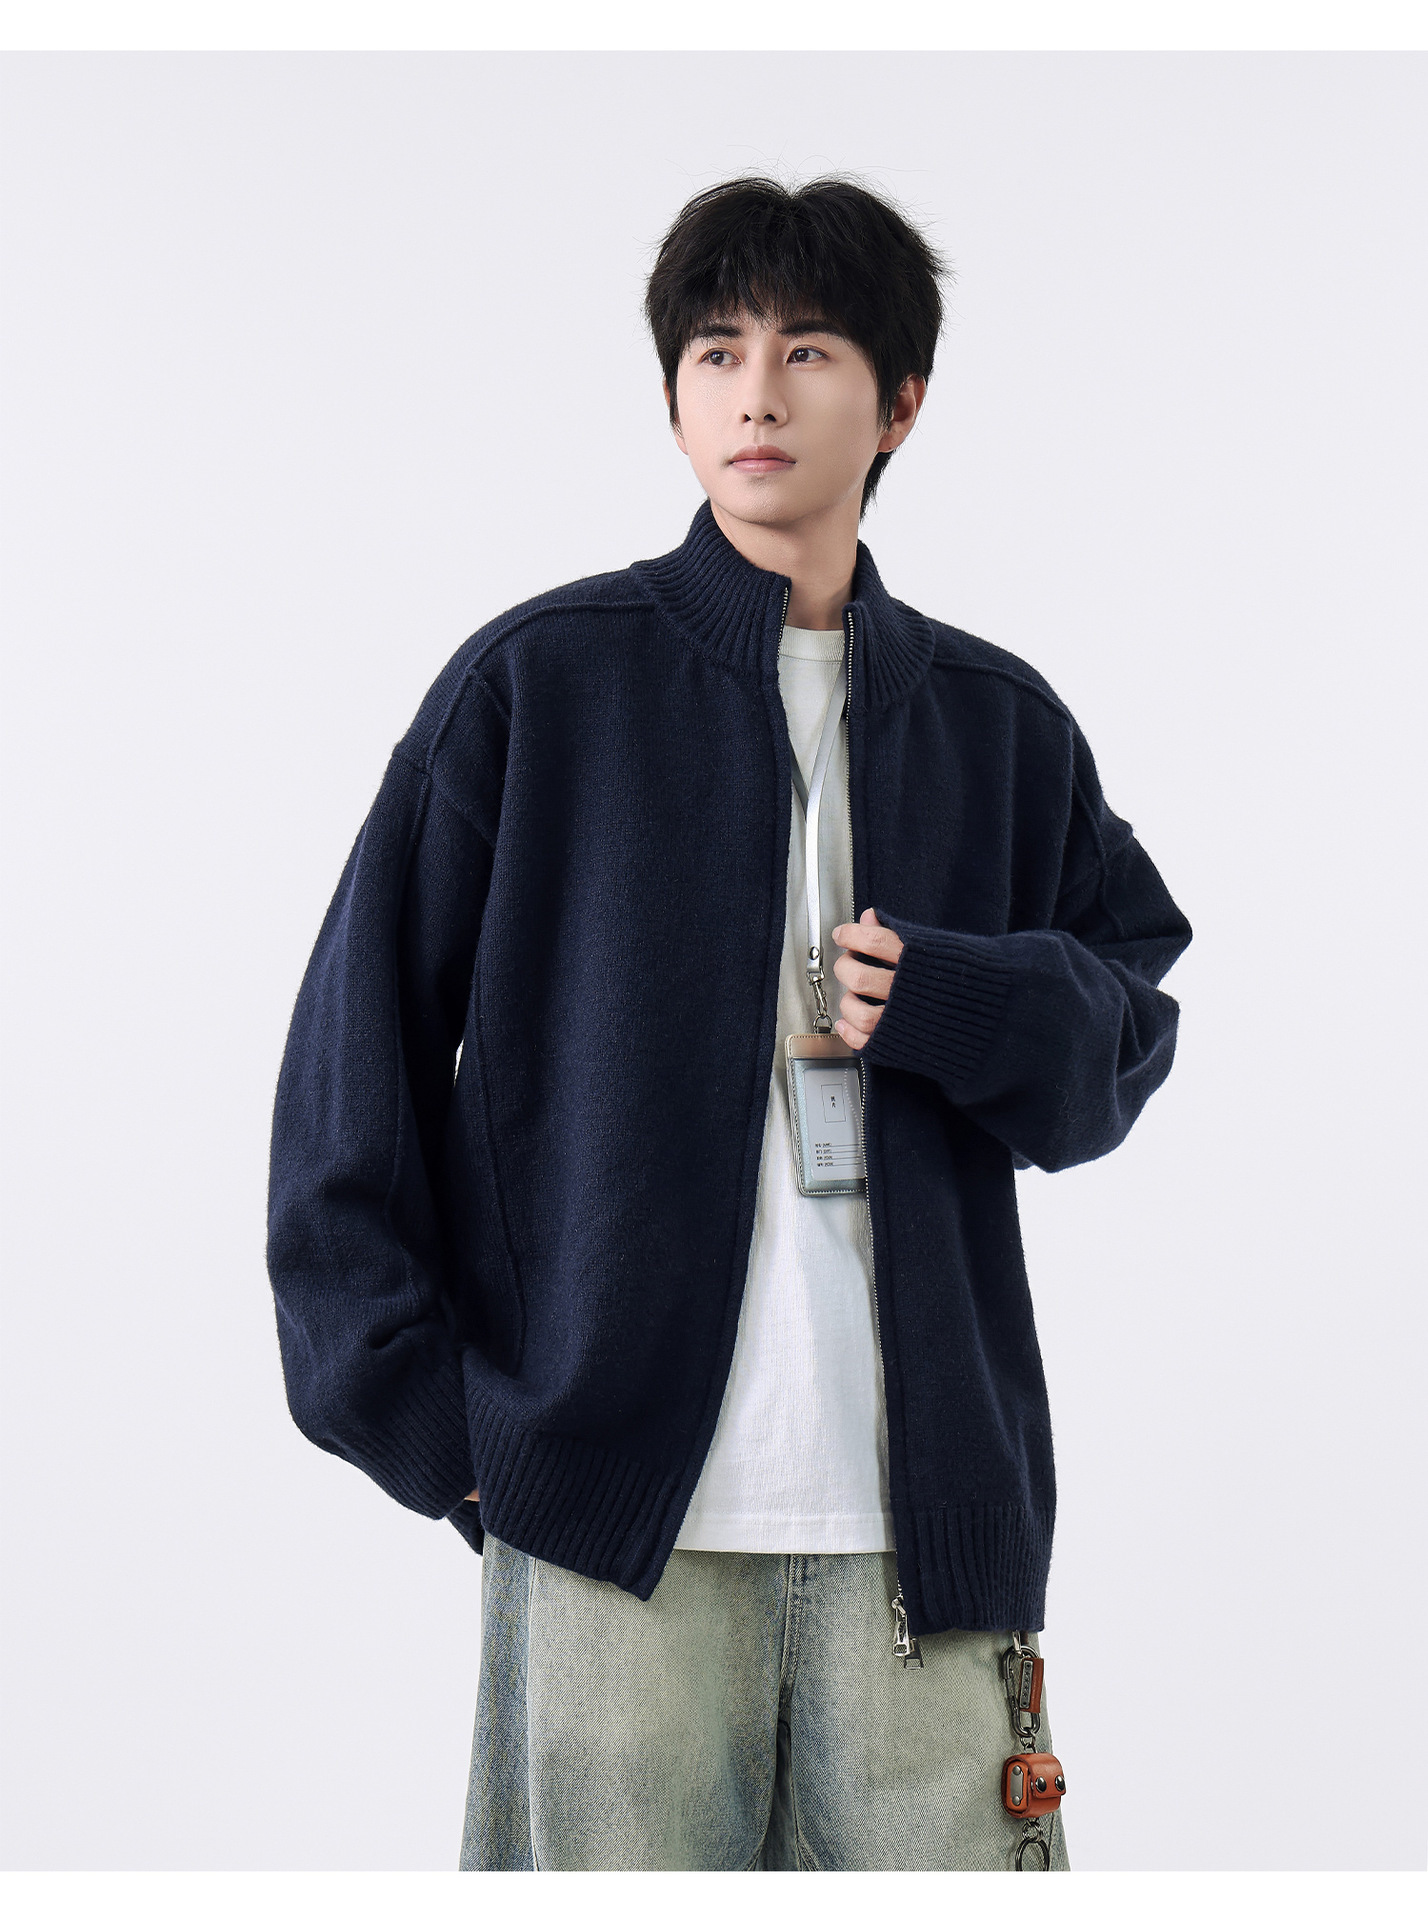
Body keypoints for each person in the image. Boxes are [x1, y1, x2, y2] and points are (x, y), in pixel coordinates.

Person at [265, 174, 1191, 1872]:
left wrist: (962, 999)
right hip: (609, 1528)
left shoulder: (997, 724)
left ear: (900, 403)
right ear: (675, 398)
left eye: (809, 349)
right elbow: (349, 1074)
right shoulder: (540, 686)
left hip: (926, 1531)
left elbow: (1126, 1033)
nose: (757, 391)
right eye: (716, 351)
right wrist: (439, 1432)